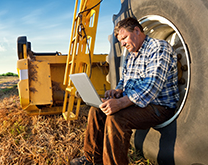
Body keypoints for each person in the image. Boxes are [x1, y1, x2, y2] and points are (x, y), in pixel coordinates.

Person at [70, 17, 179, 165]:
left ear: (137, 30)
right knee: (96, 111)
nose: (122, 43)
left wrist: (120, 103)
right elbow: (125, 78)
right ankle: (92, 160)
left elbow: (152, 87)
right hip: (137, 104)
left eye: (124, 38)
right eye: (120, 40)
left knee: (116, 119)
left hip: (158, 107)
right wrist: (118, 90)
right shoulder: (131, 54)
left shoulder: (158, 48)